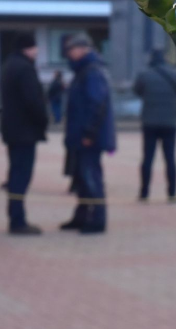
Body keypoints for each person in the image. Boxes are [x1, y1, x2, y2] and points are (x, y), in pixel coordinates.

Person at [60, 33, 116, 234]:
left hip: (88, 137)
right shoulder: (83, 70)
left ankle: (97, 219)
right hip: (80, 135)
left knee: (91, 176)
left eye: (71, 49)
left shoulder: (92, 72)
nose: (68, 53)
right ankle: (82, 216)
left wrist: (89, 133)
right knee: (82, 178)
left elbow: (96, 104)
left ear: (83, 49)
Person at [0, 33, 48, 235]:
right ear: (27, 48)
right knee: (22, 175)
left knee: (15, 173)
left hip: (12, 130)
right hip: (25, 131)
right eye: (34, 47)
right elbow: (33, 101)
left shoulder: (8, 65)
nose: (37, 51)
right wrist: (44, 120)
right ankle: (18, 221)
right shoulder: (25, 68)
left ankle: (14, 215)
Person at [134, 50, 176, 202]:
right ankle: (172, 192)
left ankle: (144, 192)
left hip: (149, 122)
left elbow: (137, 90)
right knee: (170, 158)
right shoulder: (175, 75)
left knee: (147, 158)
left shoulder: (144, 75)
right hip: (169, 122)